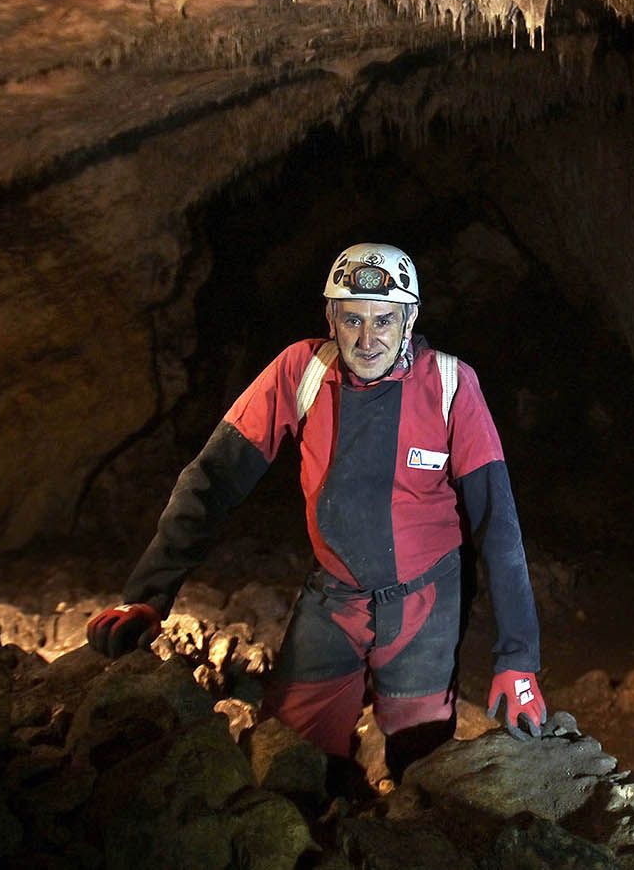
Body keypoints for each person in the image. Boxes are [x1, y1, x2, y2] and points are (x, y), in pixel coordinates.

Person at [85, 241, 548, 782]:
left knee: (421, 766)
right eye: (352, 318)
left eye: (384, 319)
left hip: (426, 600)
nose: (368, 338)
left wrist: (518, 659)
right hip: (335, 594)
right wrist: (147, 597)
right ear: (330, 316)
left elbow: (499, 524)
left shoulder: (450, 385)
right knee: (289, 758)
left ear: (411, 317)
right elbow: (213, 479)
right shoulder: (299, 371)